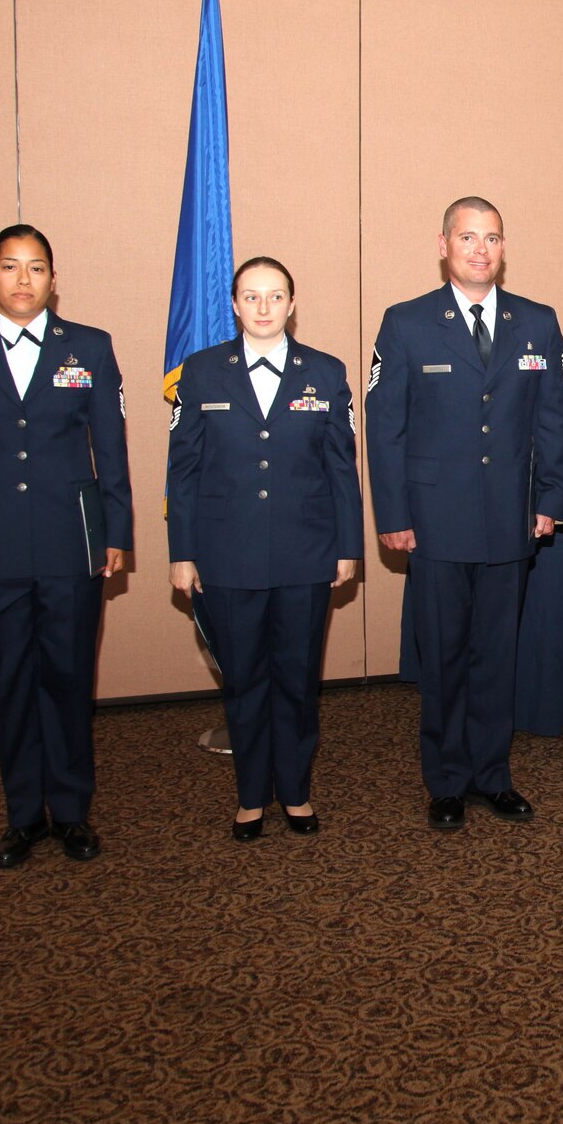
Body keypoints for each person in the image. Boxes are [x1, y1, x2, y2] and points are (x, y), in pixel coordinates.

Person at [0, 224, 132, 868]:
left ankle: (70, 813)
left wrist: (116, 534)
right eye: (10, 267)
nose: (22, 280)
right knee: (9, 681)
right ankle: (22, 817)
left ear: (53, 279)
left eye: (36, 268)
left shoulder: (89, 348)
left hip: (72, 543)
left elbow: (111, 454)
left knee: (68, 680)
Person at [366, 197, 563, 830]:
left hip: (511, 519)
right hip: (433, 521)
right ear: (443, 245)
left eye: (492, 238)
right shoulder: (405, 323)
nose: (480, 249)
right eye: (467, 237)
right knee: (446, 657)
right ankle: (447, 780)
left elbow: (553, 420)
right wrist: (394, 514)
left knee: (496, 656)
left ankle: (493, 775)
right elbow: (386, 428)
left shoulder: (538, 322)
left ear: (504, 249)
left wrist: (549, 502)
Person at [167, 257, 362, 841]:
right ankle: (252, 795)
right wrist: (183, 551)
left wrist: (347, 547)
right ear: (234, 305)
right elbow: (183, 470)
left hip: (306, 554)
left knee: (298, 681)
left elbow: (341, 470)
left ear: (292, 305)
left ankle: (296, 792)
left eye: (275, 297)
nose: (263, 308)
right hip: (227, 555)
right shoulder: (200, 373)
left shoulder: (326, 373)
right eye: (251, 297)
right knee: (245, 680)